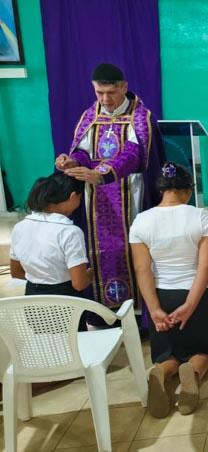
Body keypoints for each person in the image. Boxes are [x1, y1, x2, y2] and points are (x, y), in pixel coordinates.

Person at [55, 63, 163, 326]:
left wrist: (103, 173)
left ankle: (138, 317)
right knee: (100, 252)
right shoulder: (90, 115)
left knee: (130, 249)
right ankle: (103, 314)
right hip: (95, 199)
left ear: (124, 87)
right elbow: (83, 151)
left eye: (111, 93)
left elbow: (134, 154)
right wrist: (72, 161)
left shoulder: (141, 117)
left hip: (130, 195)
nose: (105, 99)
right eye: (99, 93)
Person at [129, 163, 208, 418]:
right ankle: (192, 372)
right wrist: (190, 304)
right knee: (203, 351)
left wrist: (154, 309)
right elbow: (206, 265)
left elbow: (141, 269)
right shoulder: (200, 217)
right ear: (188, 190)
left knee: (167, 353)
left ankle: (163, 371)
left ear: (162, 190)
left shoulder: (141, 221)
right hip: (199, 295)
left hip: (162, 296)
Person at [10, 174, 91, 310]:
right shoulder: (70, 232)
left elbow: (16, 272)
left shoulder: (20, 227)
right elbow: (79, 284)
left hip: (32, 301)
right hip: (65, 302)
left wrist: (42, 279)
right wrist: (91, 274)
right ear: (73, 196)